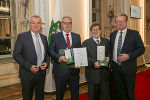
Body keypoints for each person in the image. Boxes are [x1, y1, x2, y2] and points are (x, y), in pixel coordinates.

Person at [13, 15, 50, 100]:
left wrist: (46, 63)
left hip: (41, 74)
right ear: (30, 24)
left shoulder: (44, 38)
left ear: (41, 25)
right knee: (27, 97)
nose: (36, 25)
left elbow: (46, 54)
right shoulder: (22, 37)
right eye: (33, 23)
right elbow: (16, 55)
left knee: (40, 96)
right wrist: (29, 66)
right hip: (27, 74)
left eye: (38, 23)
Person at [109, 13, 145, 100]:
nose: (120, 23)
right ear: (115, 23)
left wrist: (128, 56)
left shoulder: (134, 34)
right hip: (115, 68)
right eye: (118, 21)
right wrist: (109, 60)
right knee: (119, 92)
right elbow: (111, 49)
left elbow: (141, 49)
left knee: (130, 93)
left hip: (128, 68)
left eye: (122, 21)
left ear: (126, 22)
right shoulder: (113, 34)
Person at [48, 16, 81, 100]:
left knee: (75, 95)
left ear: (71, 25)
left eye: (69, 23)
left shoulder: (77, 36)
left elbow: (79, 52)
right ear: (61, 25)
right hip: (60, 71)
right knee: (59, 95)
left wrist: (78, 62)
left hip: (74, 71)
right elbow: (50, 51)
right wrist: (59, 58)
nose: (67, 25)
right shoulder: (55, 36)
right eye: (65, 23)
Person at [82, 22, 110, 100]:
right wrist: (93, 63)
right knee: (92, 96)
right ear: (91, 31)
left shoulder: (107, 42)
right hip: (92, 74)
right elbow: (84, 57)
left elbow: (110, 53)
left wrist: (108, 58)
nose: (95, 31)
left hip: (104, 74)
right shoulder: (85, 43)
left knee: (104, 95)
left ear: (100, 31)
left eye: (97, 29)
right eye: (93, 29)